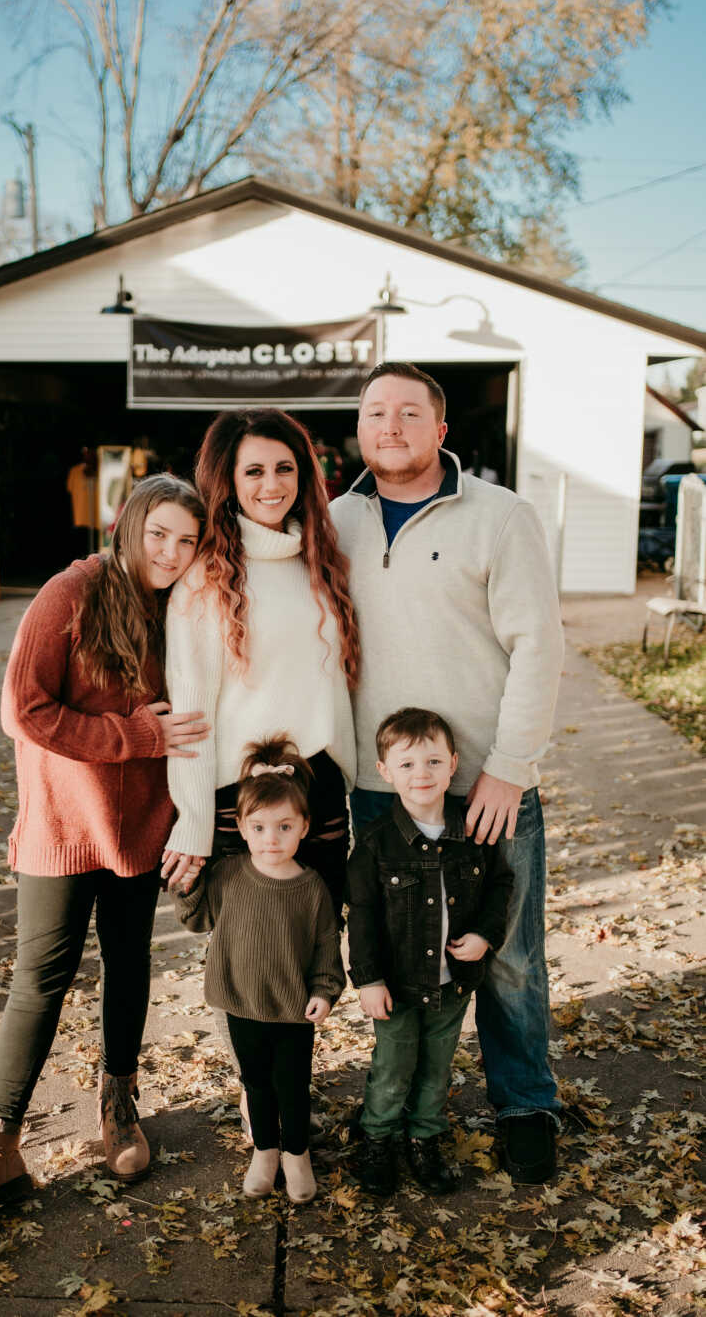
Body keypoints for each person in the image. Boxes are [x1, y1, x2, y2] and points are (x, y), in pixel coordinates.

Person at [0, 474, 209, 1226]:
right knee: (39, 978)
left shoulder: (185, 608)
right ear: (129, 525)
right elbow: (23, 709)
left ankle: (118, 1103)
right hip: (61, 823)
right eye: (159, 535)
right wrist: (135, 735)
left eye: (187, 541)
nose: (171, 553)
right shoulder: (71, 592)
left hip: (143, 822)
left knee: (129, 961)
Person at [330, 361, 564, 1185]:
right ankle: (396, 1109)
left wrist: (509, 768)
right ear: (358, 428)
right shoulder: (333, 522)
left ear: (441, 430)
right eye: (373, 412)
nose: (388, 425)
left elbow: (540, 645)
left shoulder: (500, 517)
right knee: (397, 954)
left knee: (506, 954)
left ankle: (526, 1103)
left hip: (485, 785)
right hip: (379, 786)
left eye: (407, 412)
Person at [161, 407, 359, 921]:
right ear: (227, 480)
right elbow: (190, 713)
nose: (271, 484)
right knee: (254, 970)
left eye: (284, 468)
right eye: (253, 471)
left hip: (320, 790)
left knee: (315, 963)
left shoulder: (320, 560)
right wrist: (194, 818)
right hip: (241, 797)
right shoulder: (204, 579)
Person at [347, 708, 513, 1197]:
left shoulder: (472, 832)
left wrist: (484, 935)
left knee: (438, 1067)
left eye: (433, 762)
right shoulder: (375, 844)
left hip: (452, 982)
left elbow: (500, 885)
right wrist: (369, 979)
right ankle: (378, 1139)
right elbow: (361, 914)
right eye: (406, 765)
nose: (421, 774)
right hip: (396, 985)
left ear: (453, 764)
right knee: (393, 1067)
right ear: (384, 772)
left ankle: (425, 1138)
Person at [174, 737, 345, 1203]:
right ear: (243, 830)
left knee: (292, 1086)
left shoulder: (312, 889)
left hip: (292, 1009)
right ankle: (265, 1152)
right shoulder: (229, 876)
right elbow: (195, 920)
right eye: (261, 827)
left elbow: (328, 948)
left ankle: (297, 1154)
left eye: (285, 827)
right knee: (256, 1084)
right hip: (241, 1002)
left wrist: (325, 991)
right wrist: (188, 884)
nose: (273, 839)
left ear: (304, 827)